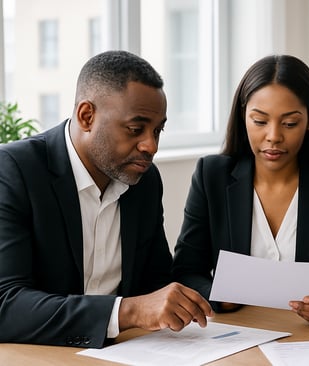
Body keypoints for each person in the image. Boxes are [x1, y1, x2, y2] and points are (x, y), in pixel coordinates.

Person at [0, 50, 213, 348]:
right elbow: (6, 305)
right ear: (87, 116)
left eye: (157, 130)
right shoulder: (14, 171)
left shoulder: (145, 181)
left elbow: (156, 282)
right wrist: (127, 311)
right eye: (135, 129)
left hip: (127, 352)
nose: (150, 146)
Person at [172, 54, 309, 326]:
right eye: (260, 121)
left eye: (289, 123)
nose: (274, 136)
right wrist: (218, 296)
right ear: (243, 117)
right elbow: (186, 271)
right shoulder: (211, 175)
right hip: (233, 335)